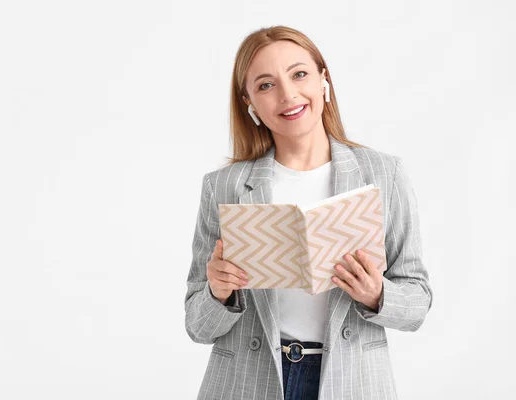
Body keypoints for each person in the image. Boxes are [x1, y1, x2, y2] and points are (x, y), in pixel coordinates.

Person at [184, 25, 433, 400]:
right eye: (266, 85)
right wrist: (218, 293)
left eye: (299, 74)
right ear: (249, 101)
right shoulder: (223, 186)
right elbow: (197, 326)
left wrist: (376, 294)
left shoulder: (384, 174)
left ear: (323, 80)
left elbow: (417, 303)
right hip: (246, 383)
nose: (288, 95)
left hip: (352, 383)